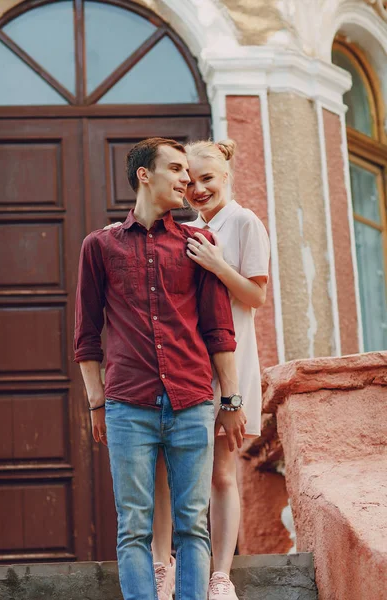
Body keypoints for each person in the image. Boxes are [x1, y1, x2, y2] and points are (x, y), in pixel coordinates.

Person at [74, 137, 246, 600]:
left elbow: (219, 330)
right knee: (134, 526)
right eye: (176, 169)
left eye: (188, 171)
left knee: (194, 525)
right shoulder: (100, 247)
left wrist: (230, 400)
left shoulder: (199, 243)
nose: (186, 179)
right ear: (144, 175)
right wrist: (96, 402)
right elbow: (87, 335)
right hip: (128, 406)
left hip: (192, 403)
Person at [151, 139, 270, 600]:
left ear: (226, 178)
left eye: (208, 180)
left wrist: (219, 265)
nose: (198, 189)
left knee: (221, 474)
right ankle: (167, 566)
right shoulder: (191, 228)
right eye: (191, 181)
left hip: (231, 364)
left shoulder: (243, 222)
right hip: (187, 367)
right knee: (168, 469)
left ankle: (221, 575)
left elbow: (256, 298)